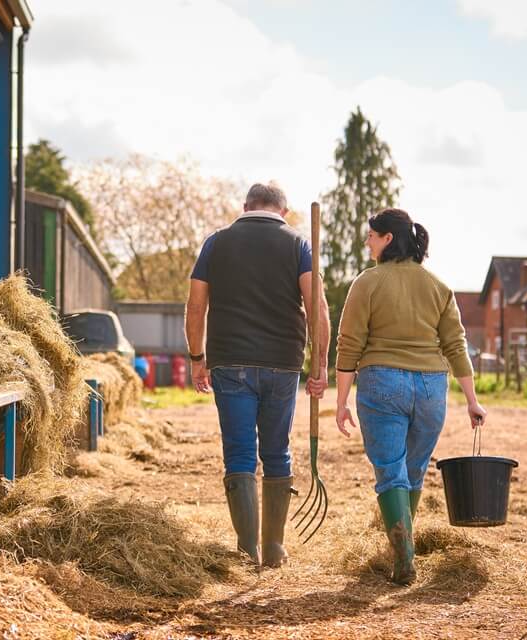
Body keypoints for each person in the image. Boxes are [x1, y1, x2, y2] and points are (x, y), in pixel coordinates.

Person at [334, 208, 487, 586]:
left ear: (388, 239)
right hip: (432, 387)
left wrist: (341, 401)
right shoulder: (438, 285)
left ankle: (403, 555)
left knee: (391, 471)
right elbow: (455, 344)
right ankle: (403, 546)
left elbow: (349, 344)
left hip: (382, 382)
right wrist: (472, 400)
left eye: (371, 235)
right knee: (414, 471)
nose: (367, 242)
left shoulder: (367, 282)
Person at [185, 183, 330, 567]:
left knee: (239, 453)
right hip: (283, 363)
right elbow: (316, 307)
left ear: (246, 206)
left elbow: (196, 306)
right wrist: (320, 364)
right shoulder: (298, 244)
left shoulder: (216, 243)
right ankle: (274, 549)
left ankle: (247, 550)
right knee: (277, 450)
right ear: (284, 211)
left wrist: (197, 358)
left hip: (229, 361)